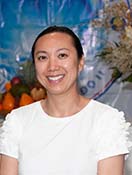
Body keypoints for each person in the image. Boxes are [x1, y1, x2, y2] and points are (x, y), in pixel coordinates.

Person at [0, 25, 132, 175]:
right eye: (42, 57)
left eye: (62, 55)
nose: (52, 66)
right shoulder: (17, 121)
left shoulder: (106, 120)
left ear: (80, 62)